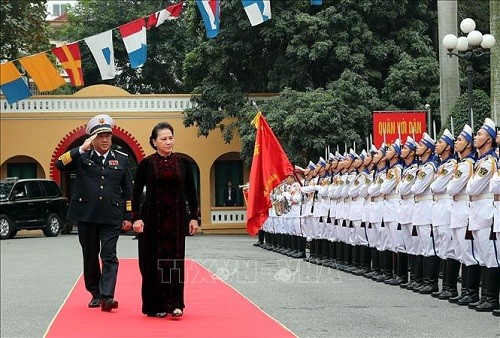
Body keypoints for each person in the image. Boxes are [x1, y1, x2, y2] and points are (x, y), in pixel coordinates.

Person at [56, 114, 133, 312]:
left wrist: (128, 216)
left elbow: (128, 191)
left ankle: (107, 296)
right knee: (90, 256)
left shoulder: (122, 160)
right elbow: (59, 164)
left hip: (111, 216)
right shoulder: (81, 157)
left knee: (109, 255)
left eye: (108, 135)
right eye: (100, 136)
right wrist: (82, 148)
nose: (105, 139)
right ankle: (95, 294)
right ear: (92, 138)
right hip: (86, 215)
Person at [131, 122, 199, 318]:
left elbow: (191, 193)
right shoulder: (146, 164)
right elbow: (136, 193)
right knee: (152, 262)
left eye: (170, 138)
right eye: (163, 139)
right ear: (154, 142)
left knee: (175, 260)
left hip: (177, 219)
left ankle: (176, 304)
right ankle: (156, 305)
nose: (168, 142)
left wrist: (193, 217)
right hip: (152, 219)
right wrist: (136, 218)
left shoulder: (183, 164)